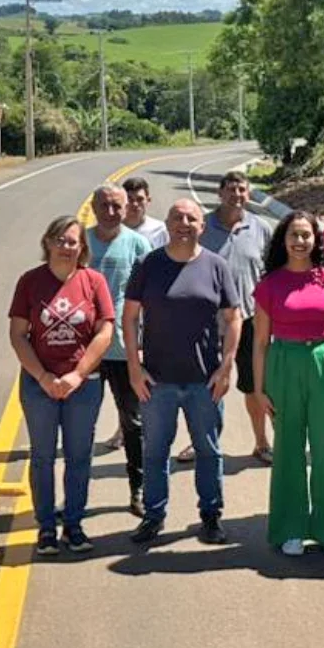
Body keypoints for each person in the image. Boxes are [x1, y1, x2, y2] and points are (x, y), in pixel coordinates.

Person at [122, 198, 242, 546]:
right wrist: (134, 366)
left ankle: (210, 515)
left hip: (204, 381)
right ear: (168, 223)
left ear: (201, 227)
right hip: (157, 380)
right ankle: (153, 515)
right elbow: (129, 317)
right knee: (156, 452)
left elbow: (234, 319)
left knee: (209, 451)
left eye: (191, 218)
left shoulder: (216, 266)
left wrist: (226, 365)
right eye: (177, 217)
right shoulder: (149, 264)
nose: (184, 223)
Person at [9, 216, 117, 555]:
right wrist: (43, 377)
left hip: (82, 385)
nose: (66, 246)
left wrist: (78, 375)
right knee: (42, 456)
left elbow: (105, 332)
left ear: (82, 247)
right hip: (39, 384)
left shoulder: (93, 281)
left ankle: (73, 524)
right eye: (60, 239)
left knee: (79, 456)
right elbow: (17, 335)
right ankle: (45, 528)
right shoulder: (30, 282)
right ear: (47, 242)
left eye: (73, 241)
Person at [252, 210, 324, 558]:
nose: (300, 242)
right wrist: (259, 387)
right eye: (293, 235)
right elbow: (260, 342)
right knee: (288, 450)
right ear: (283, 240)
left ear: (316, 240)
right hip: (284, 363)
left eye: (306, 235)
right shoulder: (270, 285)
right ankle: (290, 527)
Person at [86, 184, 154, 517]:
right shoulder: (80, 242)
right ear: (93, 206)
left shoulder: (139, 244)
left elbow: (151, 299)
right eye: (104, 205)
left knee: (134, 424)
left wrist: (144, 346)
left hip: (126, 351)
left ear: (126, 208)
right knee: (80, 426)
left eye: (116, 206)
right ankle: (75, 497)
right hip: (83, 352)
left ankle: (138, 490)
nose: (110, 212)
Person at [201, 169, 271, 465]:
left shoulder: (261, 228)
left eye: (242, 189)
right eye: (230, 189)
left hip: (251, 320)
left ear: (249, 192)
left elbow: (271, 273)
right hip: (205, 320)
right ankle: (201, 443)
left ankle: (261, 441)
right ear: (220, 193)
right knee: (203, 389)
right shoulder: (201, 226)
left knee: (255, 385)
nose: (236, 195)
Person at [122, 175, 168, 247]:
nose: (135, 204)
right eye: (130, 199)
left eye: (140, 199)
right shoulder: (113, 228)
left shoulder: (160, 230)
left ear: (148, 201)